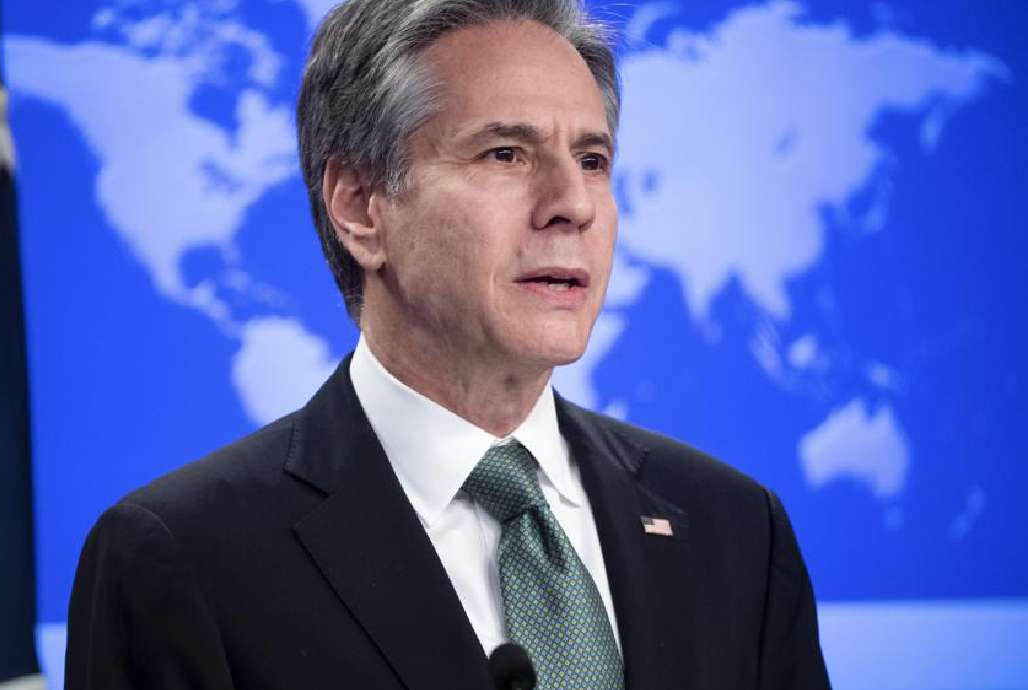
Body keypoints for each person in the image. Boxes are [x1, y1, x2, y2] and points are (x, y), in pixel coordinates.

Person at [64, 0, 832, 688]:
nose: (572, 205)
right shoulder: (184, 557)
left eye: (593, 161)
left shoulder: (735, 529)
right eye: (506, 154)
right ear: (361, 207)